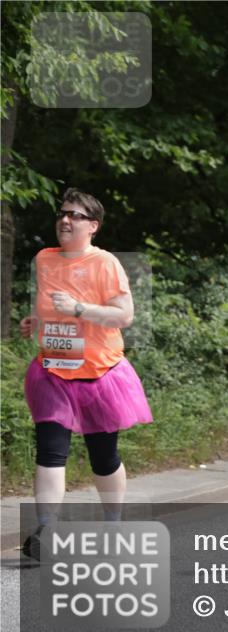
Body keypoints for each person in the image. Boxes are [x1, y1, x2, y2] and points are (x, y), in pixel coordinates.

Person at [19, 188, 153, 560]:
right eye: (62, 213)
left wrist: (79, 309)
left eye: (76, 216)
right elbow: (48, 306)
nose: (65, 220)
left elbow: (124, 316)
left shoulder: (105, 263)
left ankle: (113, 523)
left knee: (103, 456)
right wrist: (37, 322)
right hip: (53, 371)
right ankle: (46, 531)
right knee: (49, 452)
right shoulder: (44, 259)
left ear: (92, 226)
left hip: (99, 373)